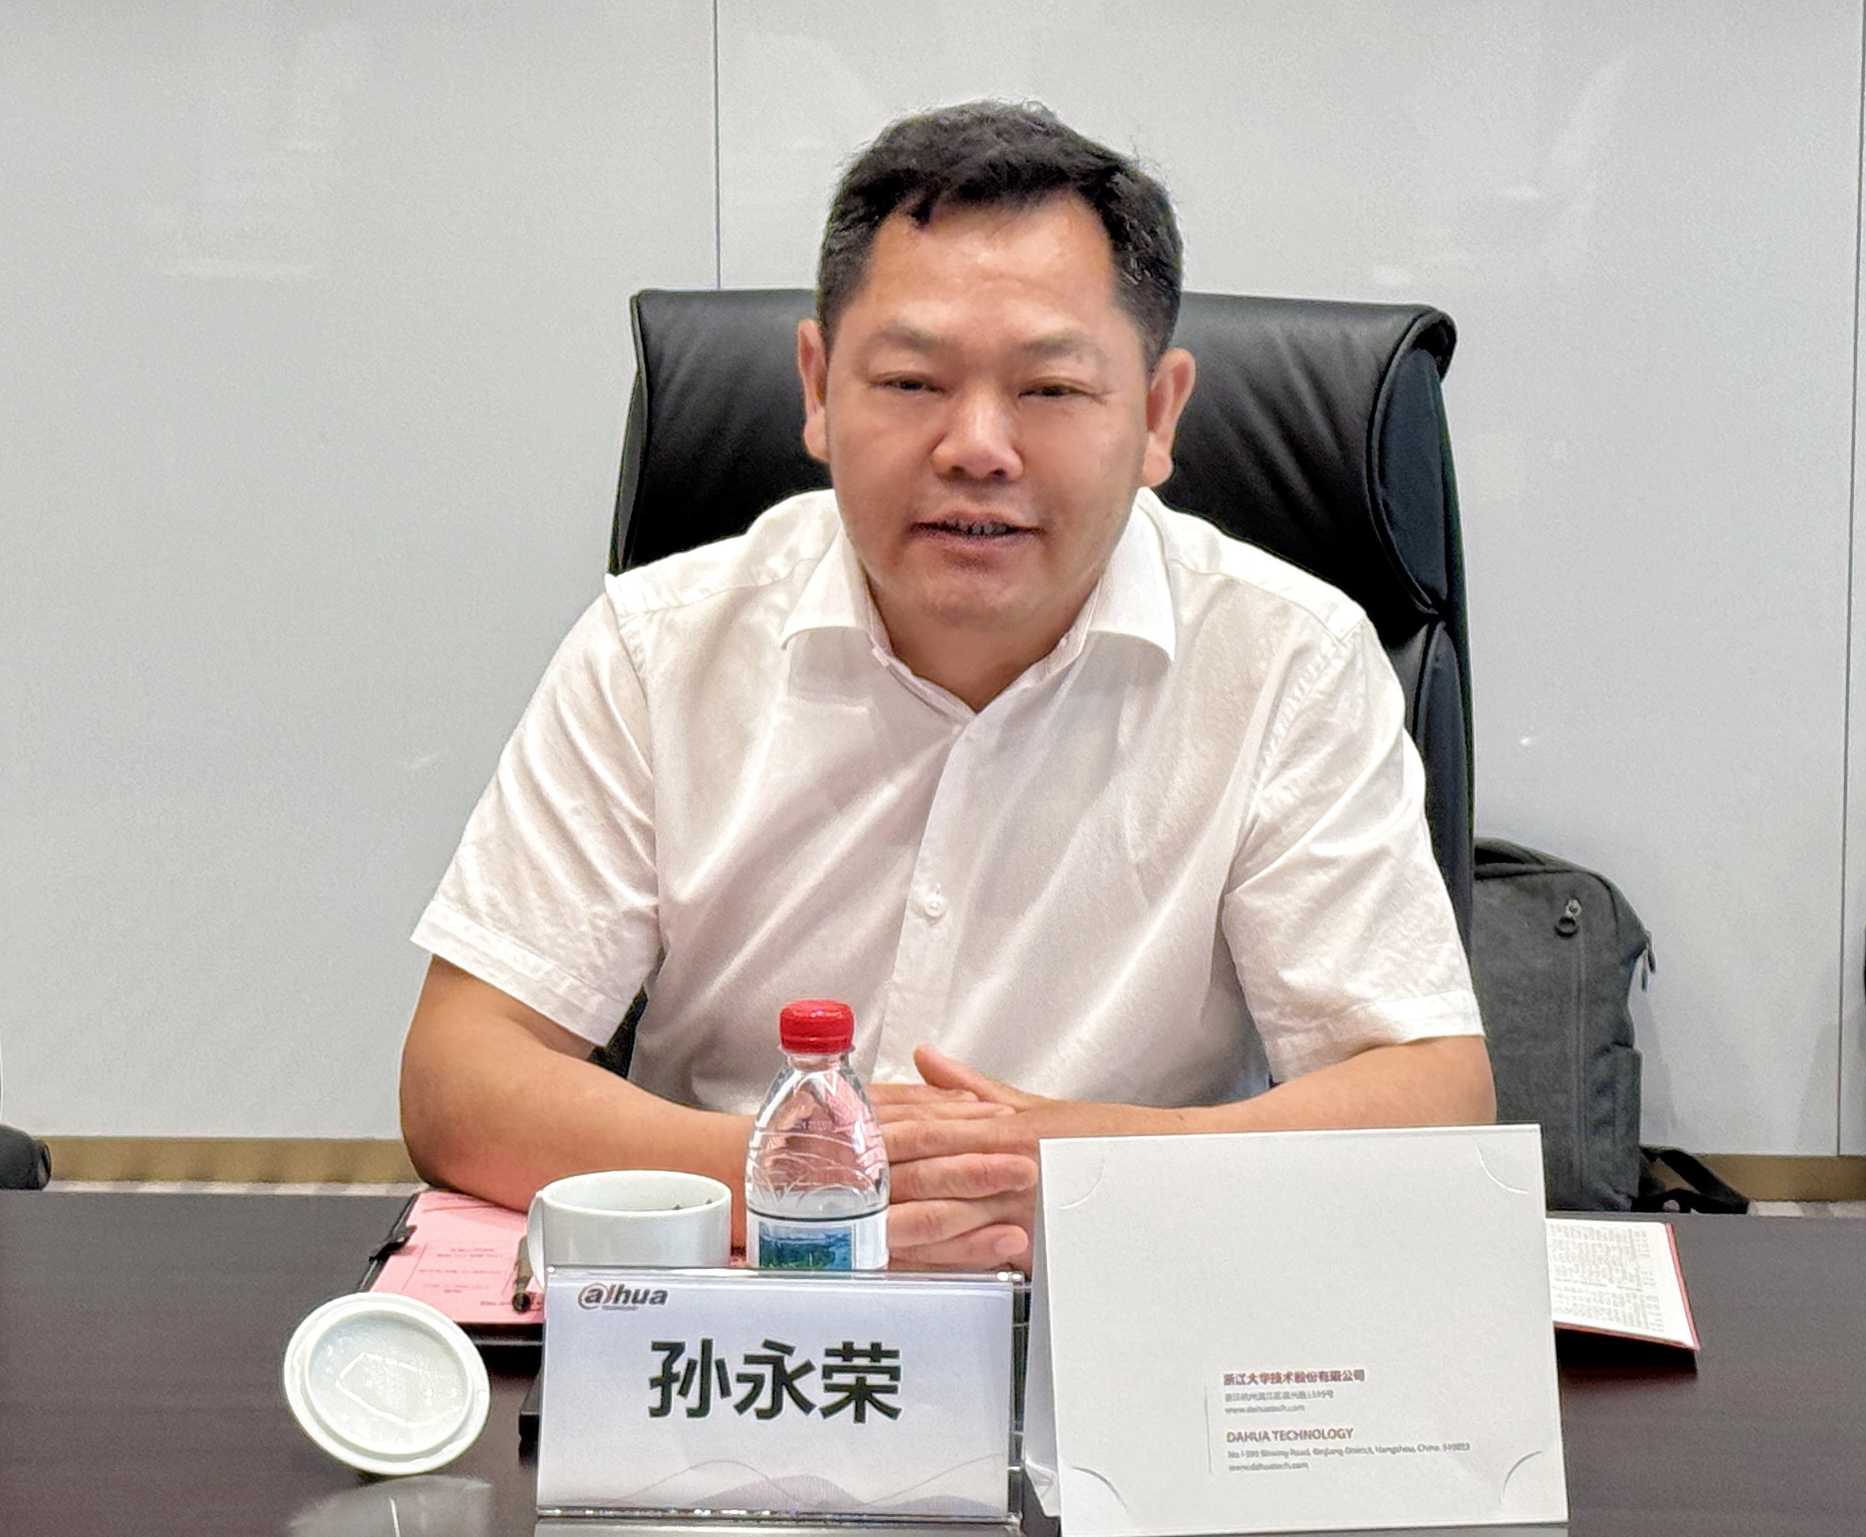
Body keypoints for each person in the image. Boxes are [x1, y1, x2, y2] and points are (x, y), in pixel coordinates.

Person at [399, 101, 1494, 1270]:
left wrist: (1075, 1171)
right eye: (913, 382)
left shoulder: (1286, 660)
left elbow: (1430, 1098)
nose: (977, 446)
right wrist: (801, 1178)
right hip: (750, 1321)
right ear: (818, 389)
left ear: (1157, 414)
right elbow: (462, 1072)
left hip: (1115, 1312)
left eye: (1050, 390)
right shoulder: (658, 647)